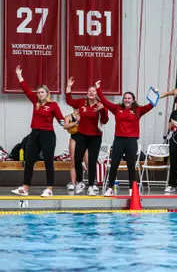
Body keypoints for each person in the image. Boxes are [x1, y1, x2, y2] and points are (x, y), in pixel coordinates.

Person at [95, 80, 157, 196]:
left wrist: (155, 93)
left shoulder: (138, 110)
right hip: (119, 140)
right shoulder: (117, 108)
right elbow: (105, 102)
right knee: (114, 165)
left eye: (129, 98)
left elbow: (152, 104)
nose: (127, 100)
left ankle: (132, 189)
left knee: (131, 166)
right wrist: (98, 89)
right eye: (125, 98)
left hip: (131, 141)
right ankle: (110, 189)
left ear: (133, 100)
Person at [11, 65, 66, 197]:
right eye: (38, 92)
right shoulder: (35, 101)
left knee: (48, 162)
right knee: (29, 161)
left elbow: (61, 119)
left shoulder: (53, 105)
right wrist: (19, 74)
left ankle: (49, 189)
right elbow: (25, 89)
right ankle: (25, 188)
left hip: (48, 135)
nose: (40, 94)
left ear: (47, 93)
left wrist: (68, 124)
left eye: (42, 92)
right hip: (34, 134)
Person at [66, 77, 109, 195]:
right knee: (77, 158)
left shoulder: (101, 105)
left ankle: (91, 185)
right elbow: (69, 101)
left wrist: (102, 110)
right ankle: (80, 181)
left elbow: (105, 121)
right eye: (89, 91)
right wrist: (69, 87)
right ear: (87, 93)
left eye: (93, 91)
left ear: (97, 94)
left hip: (95, 136)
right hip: (81, 135)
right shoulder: (81, 102)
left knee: (92, 161)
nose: (91, 92)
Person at [64, 109, 89, 191]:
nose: (79, 109)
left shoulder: (84, 116)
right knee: (73, 162)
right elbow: (65, 126)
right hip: (74, 138)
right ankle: (73, 183)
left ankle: (91, 183)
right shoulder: (68, 117)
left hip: (83, 139)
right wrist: (76, 122)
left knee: (87, 161)